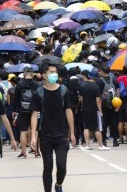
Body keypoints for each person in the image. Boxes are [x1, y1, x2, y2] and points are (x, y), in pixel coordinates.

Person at [30, 62, 76, 192]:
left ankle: (59, 184)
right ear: (44, 75)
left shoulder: (64, 90)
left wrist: (72, 132)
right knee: (48, 166)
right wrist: (33, 135)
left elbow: (68, 111)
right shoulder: (38, 93)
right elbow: (34, 115)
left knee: (61, 165)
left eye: (55, 72)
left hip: (61, 134)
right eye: (51, 72)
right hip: (45, 135)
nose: (54, 74)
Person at [80, 69, 111, 150]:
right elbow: (98, 100)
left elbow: (81, 99)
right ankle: (100, 145)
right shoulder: (95, 86)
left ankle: (87, 145)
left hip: (85, 108)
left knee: (86, 127)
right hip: (94, 109)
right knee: (97, 127)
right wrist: (100, 111)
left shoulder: (83, 85)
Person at [13, 67, 39, 158]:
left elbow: (15, 99)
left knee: (23, 131)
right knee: (35, 130)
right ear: (32, 74)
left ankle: (23, 152)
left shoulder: (19, 84)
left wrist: (15, 110)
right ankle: (36, 151)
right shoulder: (36, 84)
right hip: (34, 110)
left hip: (22, 109)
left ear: (24, 74)